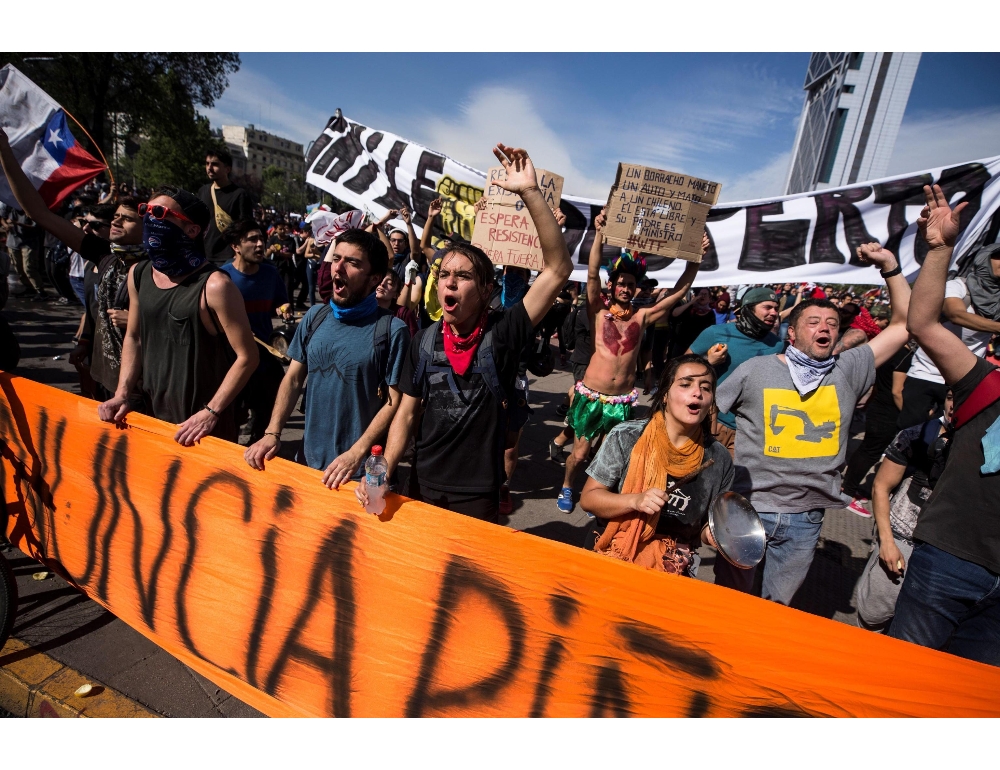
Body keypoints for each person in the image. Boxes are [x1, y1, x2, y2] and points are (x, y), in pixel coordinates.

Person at [358, 144, 573, 523]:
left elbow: (557, 269)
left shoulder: (503, 333)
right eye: (443, 274)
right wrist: (386, 470)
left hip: (477, 496)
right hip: (421, 485)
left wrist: (529, 192)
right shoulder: (423, 341)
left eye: (463, 275)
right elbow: (406, 413)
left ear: (487, 290)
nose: (449, 282)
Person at [715, 240, 911, 604]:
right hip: (750, 506)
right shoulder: (756, 369)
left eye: (832, 324)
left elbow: (904, 323)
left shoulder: (849, 369)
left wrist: (890, 266)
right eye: (814, 322)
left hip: (806, 518)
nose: (825, 328)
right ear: (792, 333)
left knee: (777, 608)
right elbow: (709, 415)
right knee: (729, 602)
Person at [887, 185, 1000, 667]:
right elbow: (924, 324)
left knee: (969, 699)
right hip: (949, 563)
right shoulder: (988, 384)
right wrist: (939, 250)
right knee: (902, 682)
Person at [558, 209, 702, 513]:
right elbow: (592, 274)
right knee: (580, 454)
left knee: (609, 455)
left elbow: (679, 292)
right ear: (612, 286)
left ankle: (597, 494)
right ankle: (568, 485)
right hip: (592, 396)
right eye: (621, 283)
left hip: (621, 401)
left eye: (630, 284)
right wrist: (599, 234)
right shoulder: (598, 312)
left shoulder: (642, 316)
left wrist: (695, 261)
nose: (625, 288)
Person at [244, 228, 409, 488]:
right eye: (336, 258)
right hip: (306, 464)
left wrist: (357, 454)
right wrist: (272, 432)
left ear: (375, 278)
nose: (338, 268)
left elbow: (393, 401)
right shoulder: (314, 316)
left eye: (352, 262)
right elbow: (293, 379)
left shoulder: (392, 330)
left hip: (355, 476)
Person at [97, 187, 259, 445]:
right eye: (146, 210)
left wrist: (210, 412)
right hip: (152, 417)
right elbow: (135, 337)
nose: (150, 218)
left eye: (160, 213)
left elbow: (247, 356)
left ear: (192, 230)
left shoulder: (215, 286)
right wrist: (122, 393)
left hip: (201, 428)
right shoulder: (138, 274)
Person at [581, 355, 733, 577]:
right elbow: (589, 498)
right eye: (686, 384)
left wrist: (711, 535)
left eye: (706, 388)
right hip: (613, 553)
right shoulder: (627, 436)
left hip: (673, 566)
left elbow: (702, 529)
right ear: (664, 395)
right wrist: (635, 501)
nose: (697, 393)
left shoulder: (719, 458)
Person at [855, 392, 952, 632]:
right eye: (951, 397)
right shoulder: (917, 435)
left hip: (945, 550)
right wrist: (887, 542)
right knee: (874, 614)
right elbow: (880, 486)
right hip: (902, 538)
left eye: (963, 399)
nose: (954, 405)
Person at [687, 286, 782, 455]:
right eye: (767, 307)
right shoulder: (716, 333)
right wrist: (709, 362)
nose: (774, 313)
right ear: (749, 308)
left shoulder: (778, 345)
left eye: (776, 308)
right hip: (712, 422)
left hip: (750, 431)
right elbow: (681, 367)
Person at [220, 219, 291, 444]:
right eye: (252, 240)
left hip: (265, 358)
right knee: (231, 419)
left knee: (268, 413)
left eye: (262, 239)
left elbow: (281, 301)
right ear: (236, 246)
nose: (260, 244)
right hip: (232, 361)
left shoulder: (271, 274)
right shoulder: (221, 278)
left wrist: (283, 307)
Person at [198, 148, 254, 265]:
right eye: (207, 163)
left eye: (215, 164)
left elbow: (246, 227)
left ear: (227, 169)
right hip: (203, 255)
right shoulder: (203, 191)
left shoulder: (239, 194)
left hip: (227, 258)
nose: (209, 168)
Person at [667, 286, 715, 361]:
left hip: (697, 345)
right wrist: (691, 302)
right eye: (701, 294)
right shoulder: (689, 308)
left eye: (705, 294)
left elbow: (711, 330)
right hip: (682, 343)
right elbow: (675, 313)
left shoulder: (710, 313)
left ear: (709, 298)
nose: (703, 296)